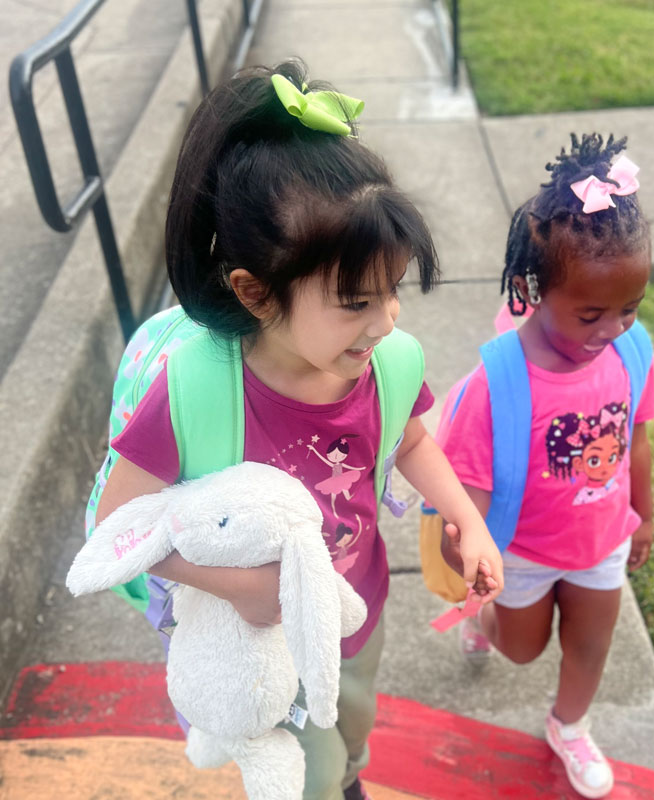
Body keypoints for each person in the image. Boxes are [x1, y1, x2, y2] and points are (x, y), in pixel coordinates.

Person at [95, 61, 503, 800]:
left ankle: (347, 773)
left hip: (357, 605)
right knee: (302, 773)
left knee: (351, 726)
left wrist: (466, 518)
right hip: (259, 636)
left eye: (392, 292)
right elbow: (114, 523)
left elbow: (409, 441)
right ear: (255, 292)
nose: (385, 323)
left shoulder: (387, 364)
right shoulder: (195, 388)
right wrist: (237, 588)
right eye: (355, 302)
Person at [438, 133, 654, 799]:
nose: (614, 327)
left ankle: (570, 724)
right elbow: (464, 493)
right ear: (533, 288)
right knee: (523, 647)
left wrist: (642, 515)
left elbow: (637, 440)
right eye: (591, 312)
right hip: (524, 553)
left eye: (629, 307)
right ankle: (484, 626)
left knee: (590, 646)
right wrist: (469, 565)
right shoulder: (497, 382)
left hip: (599, 542)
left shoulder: (630, 351)